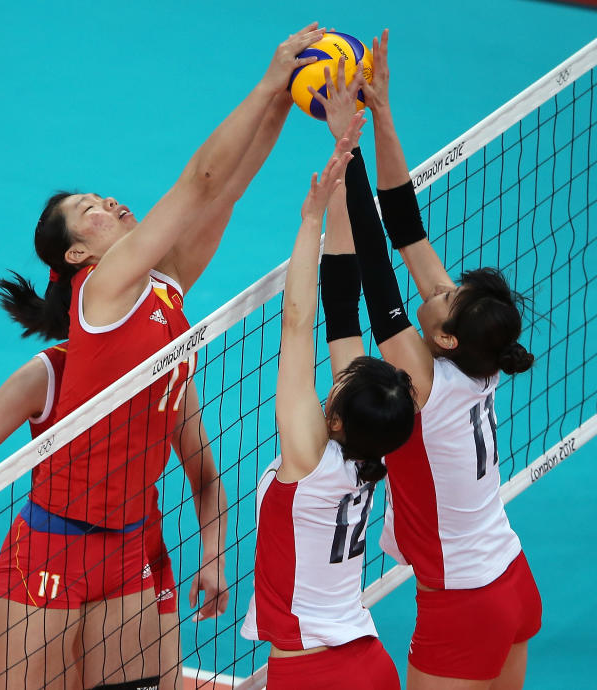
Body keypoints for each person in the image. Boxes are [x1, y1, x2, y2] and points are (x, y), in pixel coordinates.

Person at [0, 23, 327, 690]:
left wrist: (286, 99)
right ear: (79, 258)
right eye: (89, 213)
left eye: (101, 199)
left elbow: (224, 192)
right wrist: (264, 83)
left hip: (133, 545)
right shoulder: (102, 292)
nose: (108, 205)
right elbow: (199, 184)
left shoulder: (163, 291)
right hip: (51, 552)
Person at [310, 33, 542, 690]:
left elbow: (378, 268)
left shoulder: (421, 382)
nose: (434, 286)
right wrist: (381, 115)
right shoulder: (479, 354)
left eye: (441, 295)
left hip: (463, 602)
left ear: (442, 336)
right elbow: (405, 220)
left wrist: (343, 147)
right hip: (512, 579)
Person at [240, 116, 415, 690]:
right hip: (369, 664)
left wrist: (309, 215)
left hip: (311, 675)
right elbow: (340, 305)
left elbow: (298, 327)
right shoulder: (370, 447)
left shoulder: (309, 455)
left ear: (336, 416)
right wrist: (343, 166)